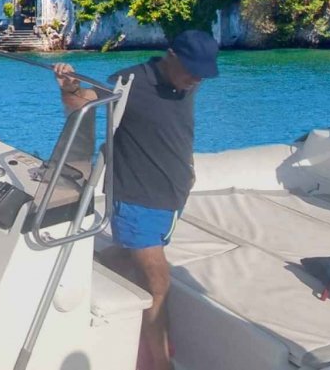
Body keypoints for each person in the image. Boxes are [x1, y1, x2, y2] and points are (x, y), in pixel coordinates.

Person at [54, 30, 219, 370]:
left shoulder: (191, 83)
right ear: (170, 54)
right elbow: (82, 103)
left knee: (133, 258)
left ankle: (95, 265)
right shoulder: (128, 82)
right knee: (158, 279)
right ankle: (161, 364)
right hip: (135, 197)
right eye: (192, 69)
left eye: (202, 73)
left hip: (173, 194)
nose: (196, 79)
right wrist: (69, 86)